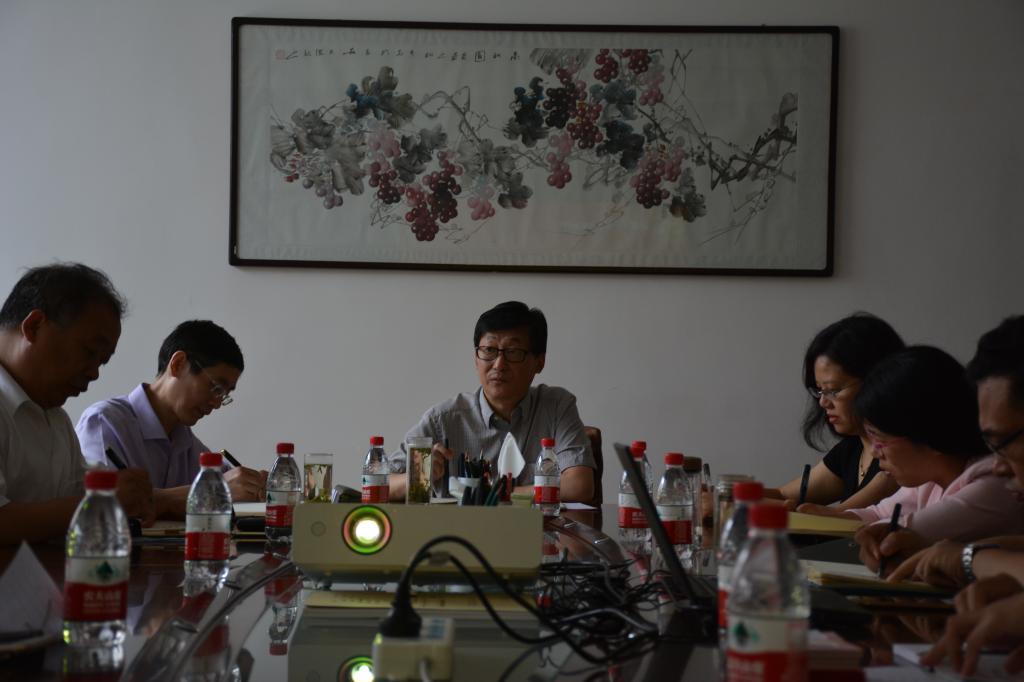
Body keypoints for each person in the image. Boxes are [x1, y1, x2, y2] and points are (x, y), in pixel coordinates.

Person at [880, 317, 1024, 678]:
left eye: (1002, 443)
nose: (1000, 466)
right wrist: (979, 555)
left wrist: (970, 558)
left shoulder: (987, 479)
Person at [804, 346, 1024, 557]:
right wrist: (826, 516)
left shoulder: (992, 484)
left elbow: (900, 530)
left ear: (927, 433)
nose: (876, 453)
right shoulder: (929, 480)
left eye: (880, 439)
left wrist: (836, 522)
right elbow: (878, 514)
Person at [0, 263, 154, 544]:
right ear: (34, 327)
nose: (94, 373)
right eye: (89, 352)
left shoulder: (55, 417)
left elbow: (74, 493)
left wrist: (127, 492)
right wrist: (103, 500)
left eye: (102, 362)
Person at [391, 301, 596, 503]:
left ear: (539, 362)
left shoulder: (556, 407)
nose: (499, 364)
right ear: (476, 358)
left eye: (513, 352)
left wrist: (494, 495)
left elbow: (579, 486)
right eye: (489, 350)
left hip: (537, 526)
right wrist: (418, 477)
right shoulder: (442, 420)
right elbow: (383, 484)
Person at [76, 320, 267, 518]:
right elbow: (101, 509)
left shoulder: (188, 444)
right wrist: (211, 490)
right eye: (216, 388)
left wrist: (255, 486)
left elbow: (230, 483)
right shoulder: (104, 423)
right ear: (178, 364)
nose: (217, 403)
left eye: (224, 395)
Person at [765, 313, 903, 510]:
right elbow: (783, 495)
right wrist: (727, 493)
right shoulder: (852, 449)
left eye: (833, 390)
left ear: (877, 382)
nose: (823, 402)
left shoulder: (903, 454)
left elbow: (841, 519)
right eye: (820, 390)